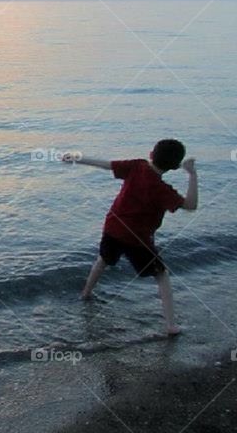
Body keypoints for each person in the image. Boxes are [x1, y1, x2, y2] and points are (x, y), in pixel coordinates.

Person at [62, 140, 198, 336]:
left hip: (113, 227)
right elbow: (191, 205)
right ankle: (170, 325)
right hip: (138, 238)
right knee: (161, 275)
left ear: (151, 153)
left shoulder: (137, 165)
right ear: (175, 166)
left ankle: (86, 293)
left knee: (103, 259)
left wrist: (78, 158)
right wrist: (192, 174)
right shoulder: (162, 190)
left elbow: (106, 164)